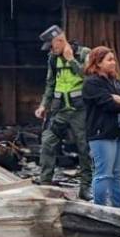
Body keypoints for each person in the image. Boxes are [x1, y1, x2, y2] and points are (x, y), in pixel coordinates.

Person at [36, 29, 92, 200]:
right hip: (60, 110)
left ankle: (85, 187)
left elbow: (90, 78)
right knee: (47, 142)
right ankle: (45, 184)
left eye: (52, 47)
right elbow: (50, 84)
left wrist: (71, 60)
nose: (50, 50)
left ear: (60, 40)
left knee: (84, 148)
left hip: (80, 111)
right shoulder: (53, 59)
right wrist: (43, 105)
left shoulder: (84, 53)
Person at [82, 46, 120, 208]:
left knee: (118, 174)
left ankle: (118, 210)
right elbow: (108, 105)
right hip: (102, 133)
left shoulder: (117, 82)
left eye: (114, 59)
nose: (114, 63)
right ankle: (100, 211)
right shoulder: (91, 83)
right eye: (109, 60)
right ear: (98, 63)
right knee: (103, 174)